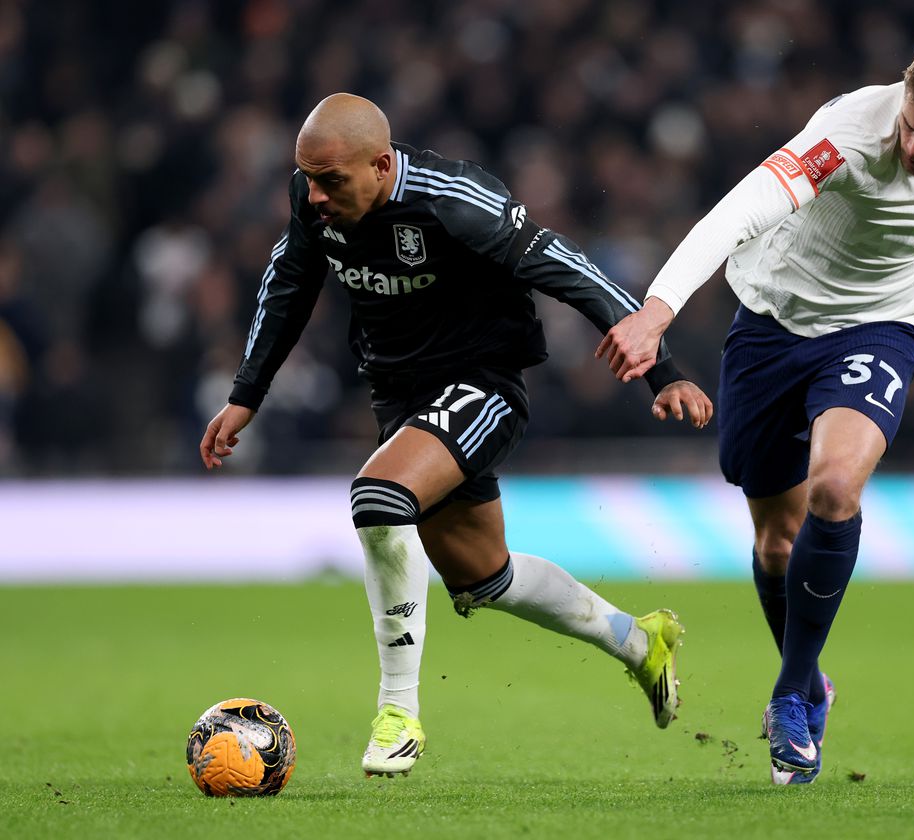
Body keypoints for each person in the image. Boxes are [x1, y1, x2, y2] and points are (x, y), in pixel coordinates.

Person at [199, 93, 713, 778]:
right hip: (403, 398)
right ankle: (637, 642)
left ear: (382, 164)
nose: (314, 195)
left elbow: (571, 267)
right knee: (483, 577)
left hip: (484, 384)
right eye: (308, 179)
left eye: (331, 181)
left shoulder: (456, 200)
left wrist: (665, 372)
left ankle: (398, 713)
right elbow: (289, 280)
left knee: (379, 498)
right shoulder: (313, 197)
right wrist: (246, 395)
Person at [596, 35, 914, 784]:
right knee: (774, 545)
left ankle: (790, 695)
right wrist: (657, 310)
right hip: (771, 323)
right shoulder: (846, 137)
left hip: (881, 327)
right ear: (903, 93)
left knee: (835, 488)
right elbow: (738, 212)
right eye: (911, 125)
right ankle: (810, 675)